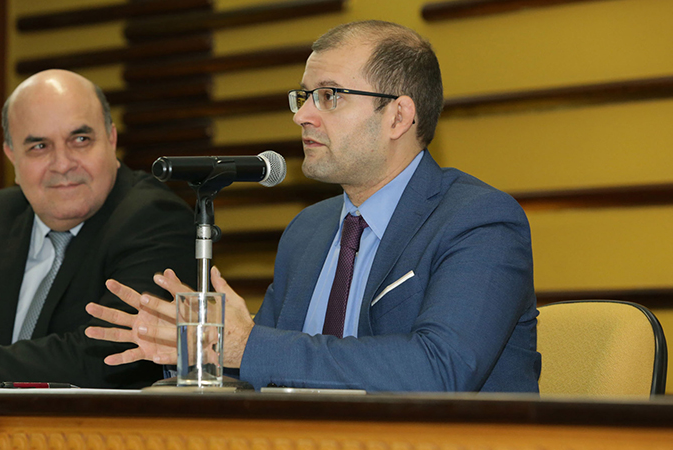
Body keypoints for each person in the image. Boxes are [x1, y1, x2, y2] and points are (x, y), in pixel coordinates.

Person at [85, 21, 541, 392]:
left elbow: (438, 370)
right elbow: (266, 369)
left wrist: (244, 347)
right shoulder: (309, 230)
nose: (303, 115)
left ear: (399, 117)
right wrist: (194, 351)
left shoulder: (479, 222)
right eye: (303, 96)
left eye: (329, 95)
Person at [0, 69, 197, 388]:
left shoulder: (155, 218)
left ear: (111, 139)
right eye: (39, 146)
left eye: (80, 140)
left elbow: (103, 358)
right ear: (12, 156)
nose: (63, 163)